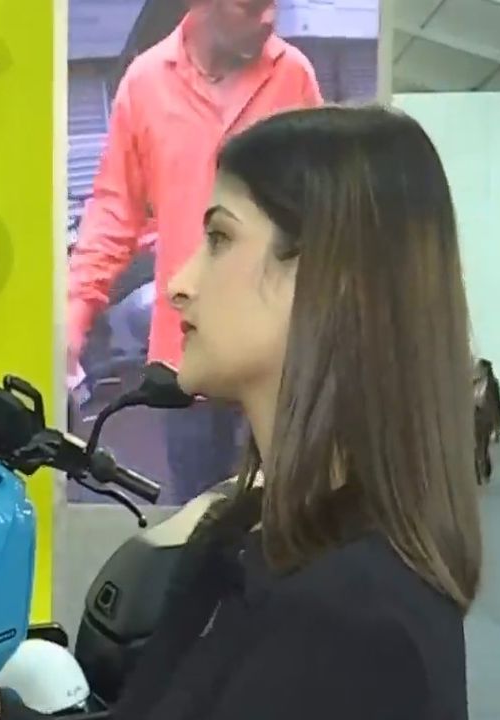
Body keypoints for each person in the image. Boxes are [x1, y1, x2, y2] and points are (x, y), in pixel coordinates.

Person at [0, 106, 481, 720]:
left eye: (220, 239)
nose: (179, 284)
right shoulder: (247, 542)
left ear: (329, 279)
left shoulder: (355, 625)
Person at [67, 0, 324, 505]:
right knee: (200, 521)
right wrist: (73, 316)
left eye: (273, 4)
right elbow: (116, 211)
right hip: (188, 361)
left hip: (280, 360)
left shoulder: (293, 76)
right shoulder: (144, 84)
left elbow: (327, 207)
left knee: (291, 517)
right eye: (250, 7)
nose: (268, 19)